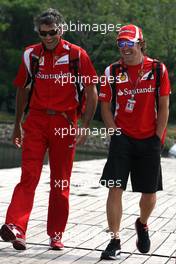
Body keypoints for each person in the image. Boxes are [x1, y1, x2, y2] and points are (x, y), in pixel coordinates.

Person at [0, 8, 98, 250]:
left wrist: (84, 125)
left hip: (65, 122)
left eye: (52, 32)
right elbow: (22, 89)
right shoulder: (31, 55)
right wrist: (17, 126)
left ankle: (56, 234)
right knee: (28, 177)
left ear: (61, 29)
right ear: (39, 32)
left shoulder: (77, 55)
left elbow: (91, 92)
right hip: (35, 121)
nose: (48, 37)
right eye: (43, 33)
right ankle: (16, 228)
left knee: (60, 182)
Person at [99, 24, 170, 260]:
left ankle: (142, 223)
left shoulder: (158, 69)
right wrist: (114, 132)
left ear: (140, 43)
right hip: (122, 138)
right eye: (121, 44)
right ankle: (115, 240)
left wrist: (158, 138)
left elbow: (163, 106)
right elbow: (106, 106)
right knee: (114, 187)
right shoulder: (112, 71)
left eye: (129, 43)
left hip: (149, 138)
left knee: (149, 195)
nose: (125, 48)